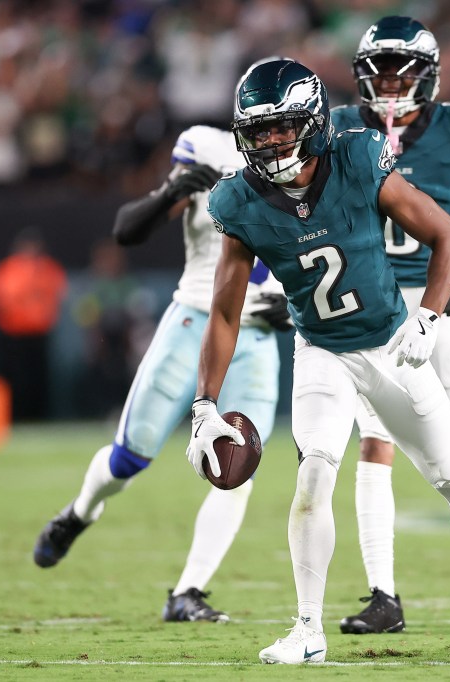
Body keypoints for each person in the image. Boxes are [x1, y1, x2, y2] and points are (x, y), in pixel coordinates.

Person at [186, 58, 450, 665]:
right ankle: (308, 629)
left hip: (389, 345)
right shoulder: (238, 200)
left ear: (312, 121)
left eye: (282, 126)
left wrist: (429, 315)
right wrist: (204, 405)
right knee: (314, 477)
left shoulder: (356, 158)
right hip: (320, 351)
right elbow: (225, 312)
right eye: (260, 129)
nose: (270, 140)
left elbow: (449, 237)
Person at [32, 123, 293, 624]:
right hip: (196, 319)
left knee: (237, 470)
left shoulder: (310, 166)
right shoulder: (209, 149)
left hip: (256, 334)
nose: (278, 137)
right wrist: (174, 189)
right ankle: (80, 512)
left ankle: (188, 591)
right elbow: (128, 231)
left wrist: (293, 303)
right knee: (129, 459)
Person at [330, 15, 450, 633]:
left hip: (442, 308)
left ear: (428, 76)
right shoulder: (341, 128)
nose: (388, 83)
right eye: (378, 71)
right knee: (374, 445)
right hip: (375, 311)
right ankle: (383, 596)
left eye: (401, 70)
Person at [0, 227, 67, 421]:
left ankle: (39, 417)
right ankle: (16, 417)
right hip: (14, 336)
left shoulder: (48, 269)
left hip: (39, 335)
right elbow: (4, 300)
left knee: (39, 380)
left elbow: (56, 296)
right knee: (15, 380)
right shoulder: (8, 269)